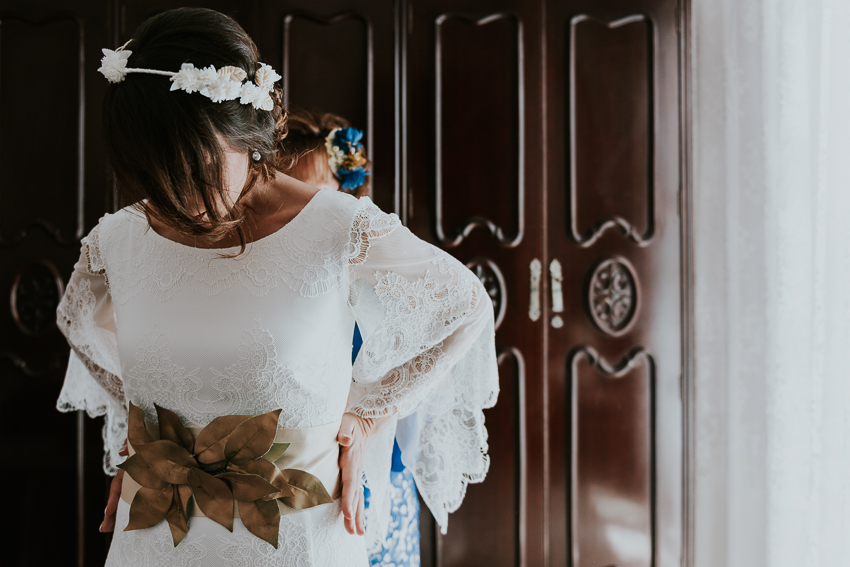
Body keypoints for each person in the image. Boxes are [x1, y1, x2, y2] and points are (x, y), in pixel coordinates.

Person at [55, 8, 499, 566]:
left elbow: (464, 305)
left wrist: (367, 415)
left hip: (298, 540)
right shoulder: (117, 239)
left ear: (246, 134)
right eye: (157, 177)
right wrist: (140, 432)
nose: (184, 198)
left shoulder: (339, 226)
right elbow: (77, 319)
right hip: (155, 539)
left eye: (201, 168)